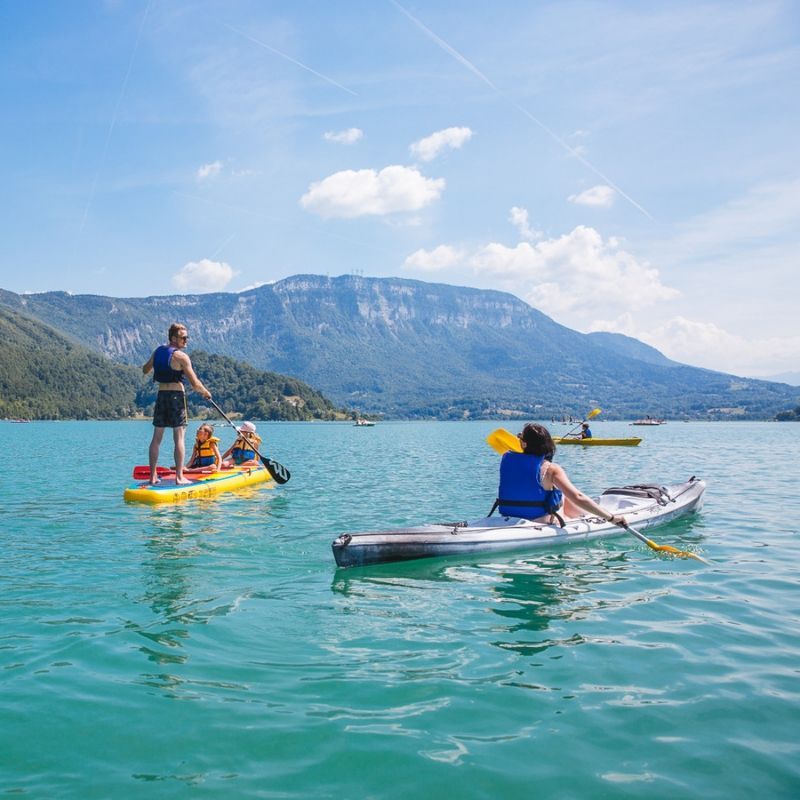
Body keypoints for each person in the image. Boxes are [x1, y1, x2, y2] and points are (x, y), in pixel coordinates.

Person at [496, 423, 626, 526]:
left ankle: (584, 515)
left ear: (523, 443)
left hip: (509, 516)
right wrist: (612, 518)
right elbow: (578, 497)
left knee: (560, 494)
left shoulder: (506, 459)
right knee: (563, 495)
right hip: (539, 520)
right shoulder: (551, 469)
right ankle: (587, 516)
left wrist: (523, 441)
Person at [142, 323, 212, 485]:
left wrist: (156, 363)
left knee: (156, 437)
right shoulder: (181, 357)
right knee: (179, 437)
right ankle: (179, 477)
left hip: (161, 396)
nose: (186, 340)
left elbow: (145, 369)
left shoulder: (158, 351)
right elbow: (195, 383)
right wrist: (205, 393)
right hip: (176, 397)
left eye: (187, 337)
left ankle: (152, 477)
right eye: (183, 338)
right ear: (174, 338)